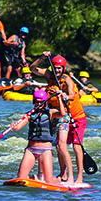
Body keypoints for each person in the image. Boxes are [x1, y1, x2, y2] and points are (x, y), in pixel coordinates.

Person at [30, 53, 85, 185]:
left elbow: (72, 95)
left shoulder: (67, 80)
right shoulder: (49, 75)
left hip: (72, 116)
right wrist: (42, 58)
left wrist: (64, 95)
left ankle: (77, 178)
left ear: (63, 68)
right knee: (57, 146)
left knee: (74, 146)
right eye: (55, 68)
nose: (57, 70)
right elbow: (33, 69)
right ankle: (61, 174)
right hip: (55, 115)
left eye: (59, 68)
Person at [9, 88, 66, 184]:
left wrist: (59, 98)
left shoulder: (50, 113)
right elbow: (18, 127)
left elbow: (62, 113)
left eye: (41, 102)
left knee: (48, 181)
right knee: (21, 177)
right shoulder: (30, 114)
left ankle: (62, 179)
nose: (39, 104)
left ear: (46, 102)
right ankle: (35, 179)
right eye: (36, 102)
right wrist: (14, 126)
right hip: (31, 150)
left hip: (45, 150)